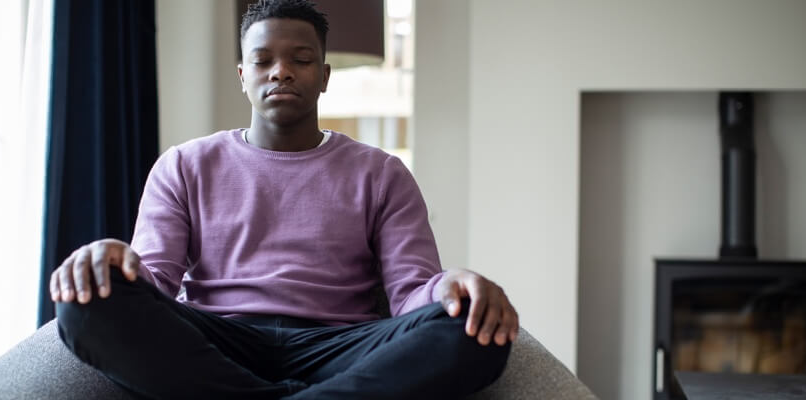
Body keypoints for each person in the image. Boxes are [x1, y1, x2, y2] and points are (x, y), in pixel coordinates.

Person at [51, 1, 518, 398]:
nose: (281, 71)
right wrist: (114, 261)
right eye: (262, 60)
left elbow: (410, 293)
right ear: (242, 75)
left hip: (338, 345)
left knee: (475, 333)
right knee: (87, 303)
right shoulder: (184, 165)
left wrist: (449, 285)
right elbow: (154, 282)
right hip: (219, 340)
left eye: (301, 58)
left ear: (325, 75)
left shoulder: (382, 173)